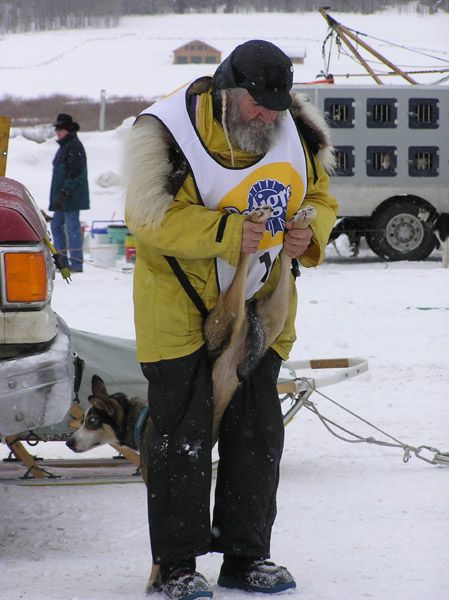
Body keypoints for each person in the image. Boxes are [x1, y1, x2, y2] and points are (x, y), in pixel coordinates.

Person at [124, 40, 338, 600]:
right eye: (256, 106)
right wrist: (222, 234)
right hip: (177, 309)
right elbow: (147, 217)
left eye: (275, 105)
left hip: (260, 308)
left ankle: (246, 557)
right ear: (226, 91)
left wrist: (308, 233)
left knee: (258, 433)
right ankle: (176, 566)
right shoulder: (165, 133)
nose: (267, 117)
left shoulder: (299, 129)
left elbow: (319, 194)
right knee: (182, 437)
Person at [49, 113, 89, 273]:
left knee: (72, 229)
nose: (57, 132)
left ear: (68, 130)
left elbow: (76, 174)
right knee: (57, 226)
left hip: (71, 197)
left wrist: (64, 193)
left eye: (60, 129)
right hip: (62, 197)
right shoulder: (64, 146)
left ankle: (76, 264)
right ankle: (62, 262)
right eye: (56, 129)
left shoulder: (74, 146)